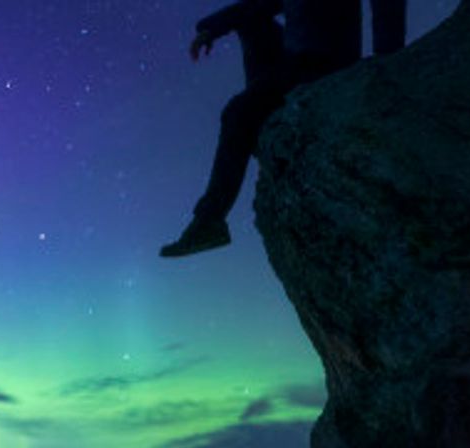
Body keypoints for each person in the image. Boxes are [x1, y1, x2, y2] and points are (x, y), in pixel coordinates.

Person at [160, 0, 407, 258]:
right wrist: (210, 29)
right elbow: (257, 6)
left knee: (236, 112)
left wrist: (388, 58)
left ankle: (210, 220)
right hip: (295, 58)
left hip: (324, 61)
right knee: (250, 18)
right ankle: (261, 103)